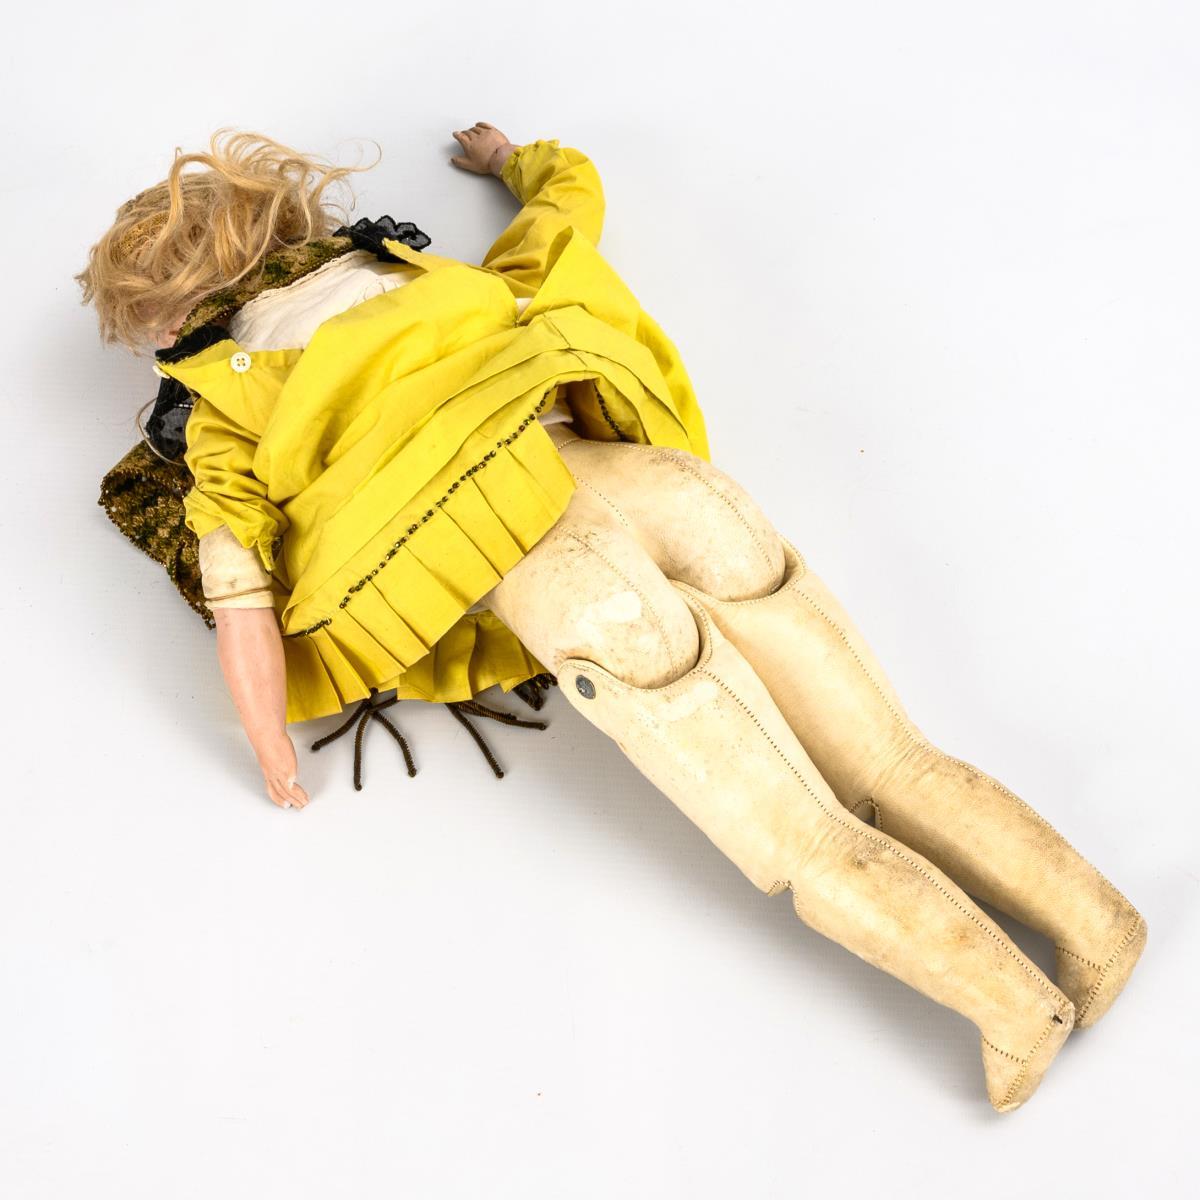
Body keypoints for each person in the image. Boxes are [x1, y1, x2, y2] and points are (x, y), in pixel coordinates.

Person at [77, 122, 1147, 1113]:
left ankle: (1017, 1015)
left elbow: (241, 599)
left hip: (554, 572)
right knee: (895, 760)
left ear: (171, 323)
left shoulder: (223, 413)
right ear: (283, 225)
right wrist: (513, 157)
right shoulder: (412, 271)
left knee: (806, 837)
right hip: (667, 490)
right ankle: (1100, 927)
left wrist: (270, 748)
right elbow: (564, 211)